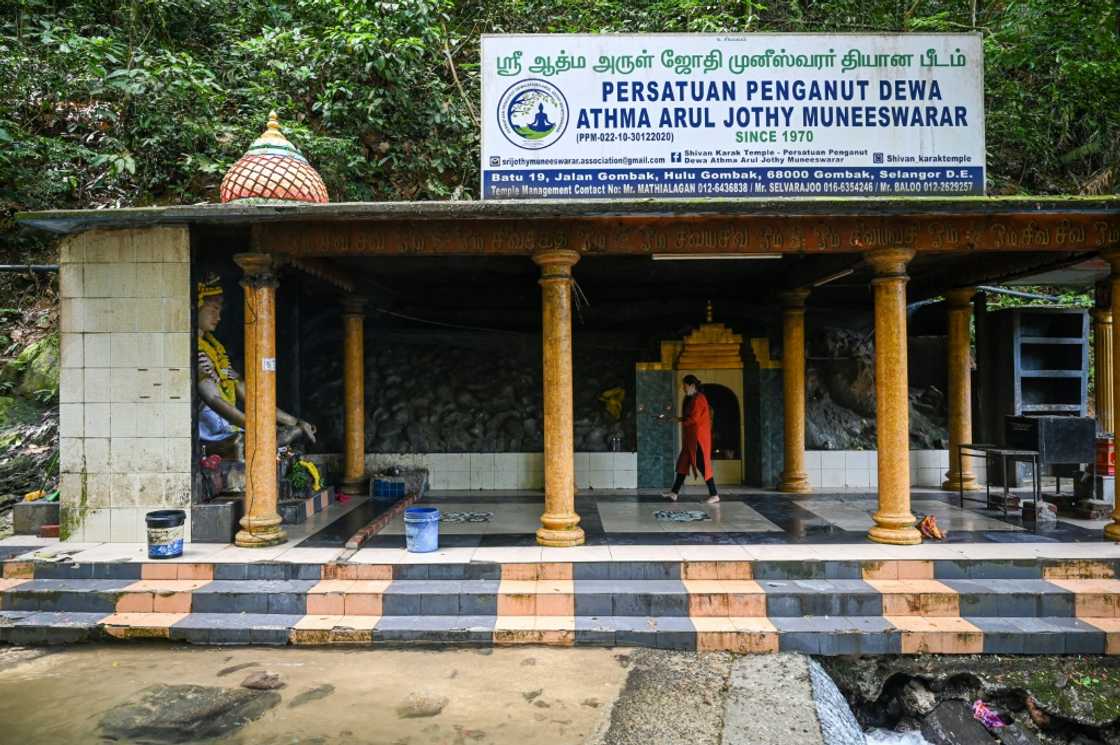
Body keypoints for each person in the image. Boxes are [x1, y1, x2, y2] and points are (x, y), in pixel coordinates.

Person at [196, 275, 317, 453]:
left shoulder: (216, 349)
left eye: (220, 310)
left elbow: (244, 391)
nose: (218, 317)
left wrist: (293, 421)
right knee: (244, 444)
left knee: (272, 445)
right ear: (196, 307)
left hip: (229, 425)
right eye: (213, 309)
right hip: (206, 429)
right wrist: (260, 430)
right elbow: (212, 399)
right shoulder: (191, 350)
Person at [660, 374, 719, 504]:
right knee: (683, 463)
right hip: (691, 438)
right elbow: (690, 417)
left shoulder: (699, 399)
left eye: (685, 386)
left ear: (692, 386)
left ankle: (714, 494)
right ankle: (674, 492)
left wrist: (680, 420)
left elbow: (694, 420)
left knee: (703, 465)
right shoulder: (694, 398)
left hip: (698, 440)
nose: (683, 388)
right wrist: (678, 419)